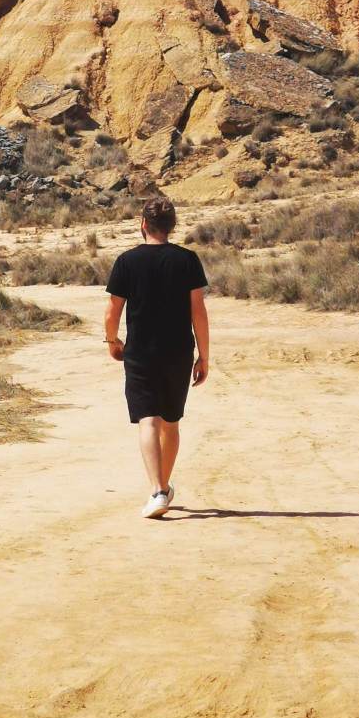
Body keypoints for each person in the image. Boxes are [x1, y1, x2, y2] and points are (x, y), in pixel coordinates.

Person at [104, 196, 209, 519]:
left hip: (140, 353)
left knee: (148, 419)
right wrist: (204, 356)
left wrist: (112, 340)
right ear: (171, 226)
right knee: (171, 422)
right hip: (178, 351)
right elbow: (198, 312)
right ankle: (162, 487)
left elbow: (112, 310)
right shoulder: (187, 260)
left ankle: (159, 490)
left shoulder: (126, 261)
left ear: (143, 224)